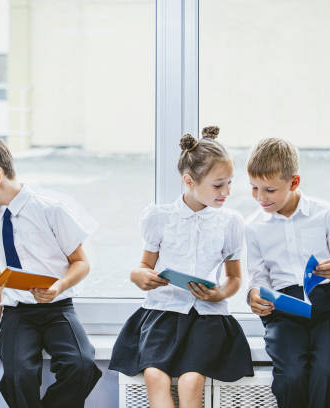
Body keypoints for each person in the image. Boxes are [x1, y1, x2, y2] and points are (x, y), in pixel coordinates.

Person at [109, 126, 253, 408]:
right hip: (162, 313)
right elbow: (142, 267)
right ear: (189, 181)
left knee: (190, 381)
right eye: (217, 185)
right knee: (154, 376)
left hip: (207, 316)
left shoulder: (230, 222)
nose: (226, 191)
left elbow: (235, 277)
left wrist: (220, 294)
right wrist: (139, 276)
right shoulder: (159, 217)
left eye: (229, 183)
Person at [0, 135, 102, 408]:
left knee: (81, 365)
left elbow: (81, 262)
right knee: (18, 373)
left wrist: (58, 287)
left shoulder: (50, 209)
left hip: (58, 308)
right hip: (17, 313)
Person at [244, 137, 330, 408]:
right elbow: (258, 276)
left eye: (269, 190)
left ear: (294, 183)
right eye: (254, 188)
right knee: (291, 375)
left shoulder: (325, 214)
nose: (260, 198)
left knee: (327, 371)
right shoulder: (254, 226)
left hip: (328, 308)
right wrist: (253, 295)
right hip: (284, 312)